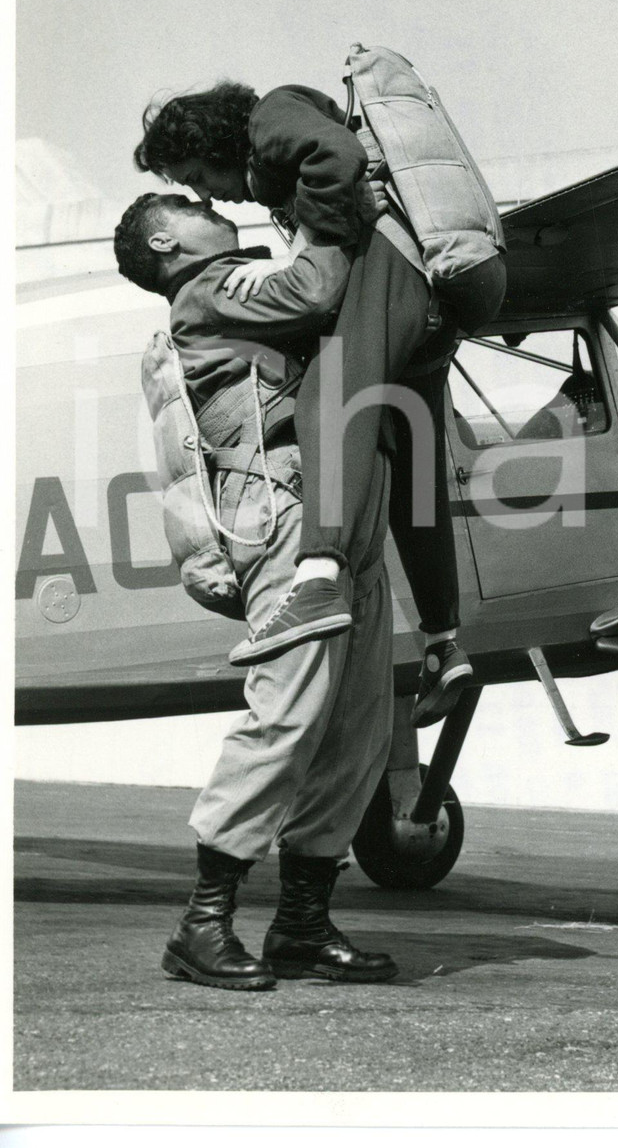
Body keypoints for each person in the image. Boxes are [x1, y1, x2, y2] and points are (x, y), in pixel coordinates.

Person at [134, 80, 505, 723]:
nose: (205, 193)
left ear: (210, 141)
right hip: (435, 301)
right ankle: (445, 643)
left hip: (392, 263)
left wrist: (327, 227)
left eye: (197, 175)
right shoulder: (272, 153)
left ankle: (318, 581)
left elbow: (332, 152)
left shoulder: (269, 115)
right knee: (413, 460)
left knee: (329, 398)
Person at [114, 189, 401, 991]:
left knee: (357, 720)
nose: (212, 203)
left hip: (343, 512)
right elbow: (314, 289)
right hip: (281, 506)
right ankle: (201, 925)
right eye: (191, 203)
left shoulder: (229, 285)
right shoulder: (210, 286)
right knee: (292, 708)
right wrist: (333, 213)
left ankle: (304, 925)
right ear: (167, 240)